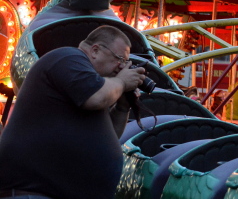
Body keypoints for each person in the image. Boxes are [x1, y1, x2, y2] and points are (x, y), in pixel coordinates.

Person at [0, 25, 147, 199]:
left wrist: (122, 107)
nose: (122, 67)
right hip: (36, 193)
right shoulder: (69, 58)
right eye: (120, 59)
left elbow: (108, 136)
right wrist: (121, 82)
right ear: (95, 50)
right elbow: (97, 98)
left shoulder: (89, 84)